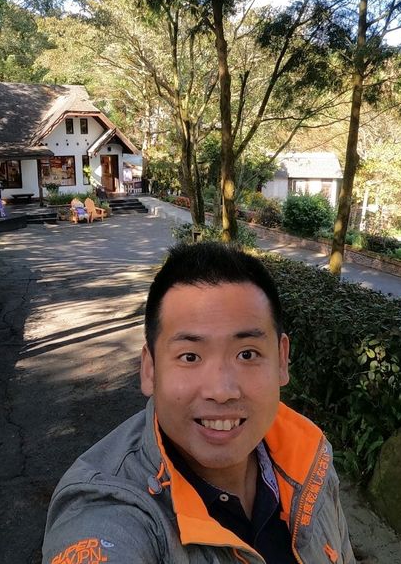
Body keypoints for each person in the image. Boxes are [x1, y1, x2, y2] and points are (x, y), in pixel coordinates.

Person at [43, 242, 355, 564]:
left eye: (247, 354)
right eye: (190, 356)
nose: (221, 391)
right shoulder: (110, 506)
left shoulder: (310, 458)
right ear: (150, 370)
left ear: (281, 361)